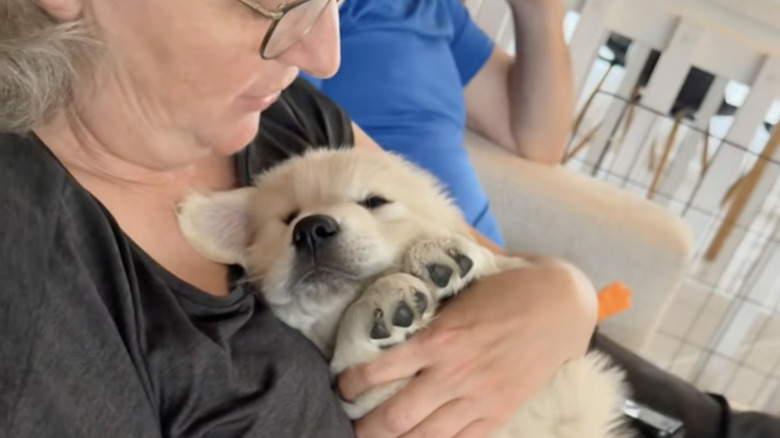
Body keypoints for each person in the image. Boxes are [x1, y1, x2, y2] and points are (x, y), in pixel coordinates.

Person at [0, 1, 598, 438]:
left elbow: (491, 263)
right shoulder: (31, 283)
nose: (322, 54)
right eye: (271, 2)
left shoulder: (286, 116)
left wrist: (564, 296)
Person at [301, 1, 780, 437]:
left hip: (491, 277)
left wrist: (540, 15)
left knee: (724, 427)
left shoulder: (431, 9)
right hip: (413, 282)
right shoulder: (294, 32)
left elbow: (538, 139)